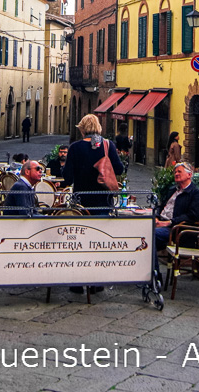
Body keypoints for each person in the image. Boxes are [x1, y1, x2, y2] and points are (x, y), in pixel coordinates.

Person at [64, 114, 124, 294]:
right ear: (98, 127)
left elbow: (67, 178)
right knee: (98, 242)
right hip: (102, 201)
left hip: (81, 202)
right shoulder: (107, 145)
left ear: (82, 129)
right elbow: (119, 169)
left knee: (79, 242)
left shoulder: (75, 148)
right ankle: (96, 282)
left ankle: (77, 283)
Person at [153, 162, 199, 252]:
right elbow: (161, 206)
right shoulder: (172, 190)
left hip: (176, 229)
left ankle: (153, 266)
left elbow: (192, 216)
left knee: (149, 235)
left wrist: (169, 222)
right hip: (160, 223)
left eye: (179, 172)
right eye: (175, 172)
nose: (176, 174)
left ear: (189, 175)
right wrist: (157, 217)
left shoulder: (196, 194)